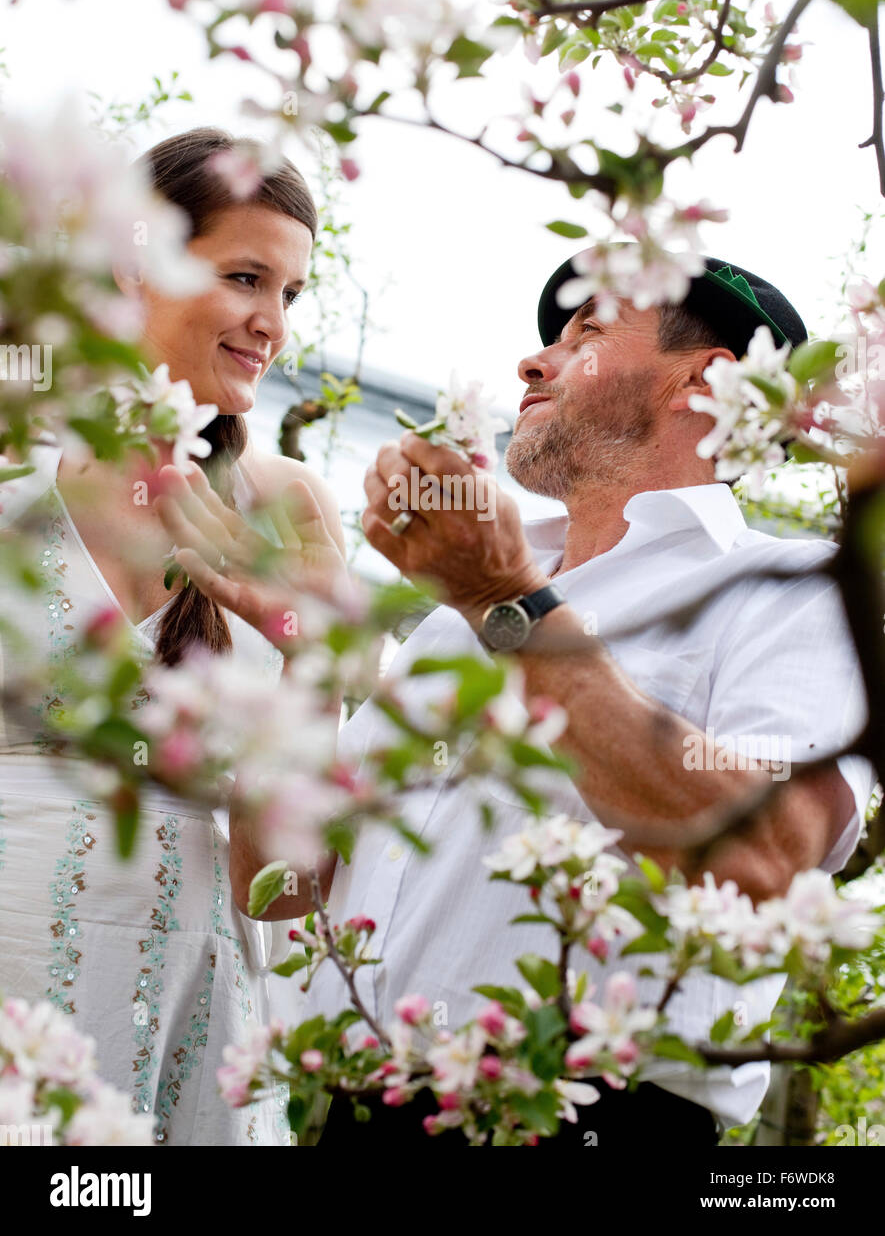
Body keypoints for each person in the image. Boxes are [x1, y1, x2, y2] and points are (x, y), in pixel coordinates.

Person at [313, 254, 874, 1146]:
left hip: (593, 1127)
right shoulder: (458, 613)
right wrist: (294, 629)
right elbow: (284, 883)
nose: (532, 364)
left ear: (710, 380)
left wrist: (511, 605)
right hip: (358, 1115)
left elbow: (762, 858)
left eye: (586, 334)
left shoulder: (792, 587)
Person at [0, 126, 345, 1145]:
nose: (270, 323)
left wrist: (305, 647)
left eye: (290, 293)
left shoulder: (290, 508)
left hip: (192, 1023)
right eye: (247, 276)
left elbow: (280, 892)